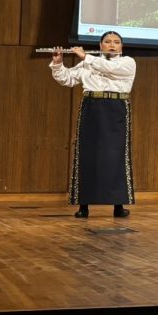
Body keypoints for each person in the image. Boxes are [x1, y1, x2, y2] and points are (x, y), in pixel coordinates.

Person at [50, 31, 136, 219]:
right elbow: (67, 79)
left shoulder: (127, 62)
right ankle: (84, 206)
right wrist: (58, 63)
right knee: (88, 155)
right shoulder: (89, 62)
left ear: (122, 47)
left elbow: (109, 68)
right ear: (100, 45)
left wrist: (85, 57)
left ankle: (118, 206)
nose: (112, 45)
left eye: (116, 42)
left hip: (116, 108)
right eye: (107, 42)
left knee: (115, 156)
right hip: (92, 107)